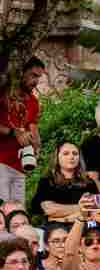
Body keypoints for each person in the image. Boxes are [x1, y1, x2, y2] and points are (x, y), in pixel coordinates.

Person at [0, 57, 44, 203]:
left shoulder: (33, 102)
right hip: (1, 163)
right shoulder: (3, 94)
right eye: (33, 75)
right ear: (22, 72)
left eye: (39, 77)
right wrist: (14, 132)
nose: (36, 81)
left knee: (18, 214)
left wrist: (37, 145)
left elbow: (33, 127)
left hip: (20, 167)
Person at [30, 142, 95, 222]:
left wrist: (61, 217)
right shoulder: (47, 181)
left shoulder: (88, 181)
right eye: (66, 153)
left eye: (75, 154)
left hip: (87, 225)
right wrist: (80, 208)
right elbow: (49, 210)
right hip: (58, 228)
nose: (71, 157)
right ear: (57, 157)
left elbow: (96, 209)